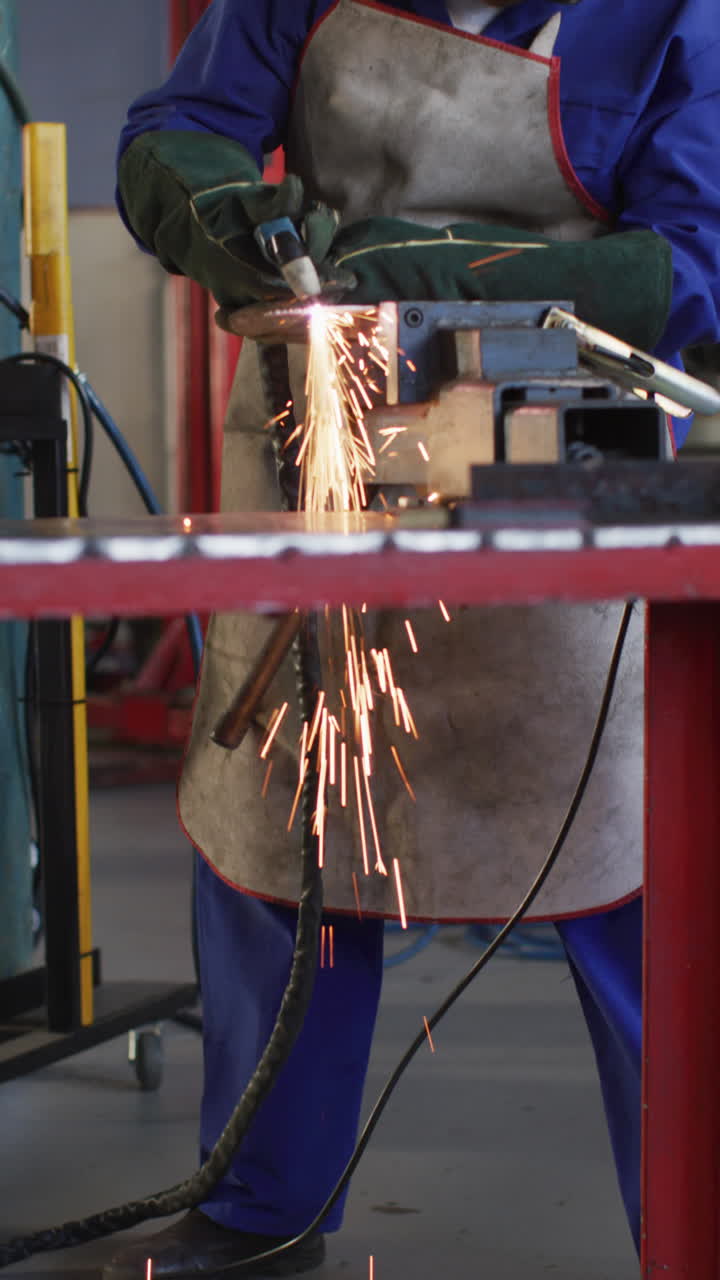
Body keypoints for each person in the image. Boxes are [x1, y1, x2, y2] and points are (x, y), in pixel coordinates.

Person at [107, 1, 720, 1276]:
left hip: (558, 468)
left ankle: (693, 1225)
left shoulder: (676, 17)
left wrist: (434, 270)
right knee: (289, 831)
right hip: (316, 440)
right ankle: (263, 1210)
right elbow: (179, 128)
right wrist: (220, 211)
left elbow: (690, 263)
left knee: (626, 860)